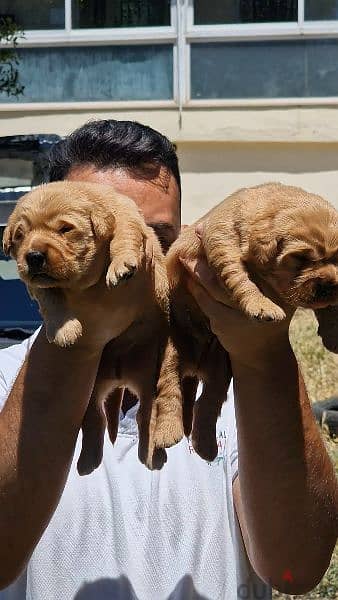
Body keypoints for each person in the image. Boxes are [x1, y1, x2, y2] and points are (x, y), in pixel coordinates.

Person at [0, 120, 336, 600]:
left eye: (157, 236)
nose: (138, 256)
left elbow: (295, 568)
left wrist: (264, 356)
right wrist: (75, 340)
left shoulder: (242, 374)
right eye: (112, 235)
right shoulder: (6, 378)